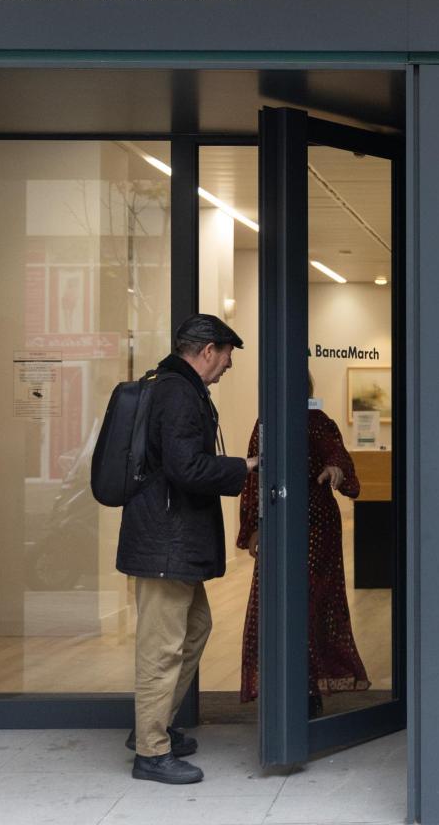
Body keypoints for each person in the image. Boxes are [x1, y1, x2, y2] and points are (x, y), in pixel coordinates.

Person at [116, 314, 258, 786]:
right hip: (165, 542)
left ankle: (151, 729)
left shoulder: (177, 387)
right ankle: (152, 751)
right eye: (228, 354)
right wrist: (246, 466)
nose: (230, 365)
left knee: (195, 627)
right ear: (207, 351)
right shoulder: (177, 392)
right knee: (162, 647)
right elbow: (186, 468)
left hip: (169, 539)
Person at [235, 373, 370, 715]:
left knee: (311, 603)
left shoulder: (317, 420)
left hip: (317, 527)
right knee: (277, 602)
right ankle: (284, 685)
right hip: (280, 522)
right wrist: (253, 529)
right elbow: (256, 478)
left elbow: (338, 454)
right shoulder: (266, 424)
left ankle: (307, 690)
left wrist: (336, 470)